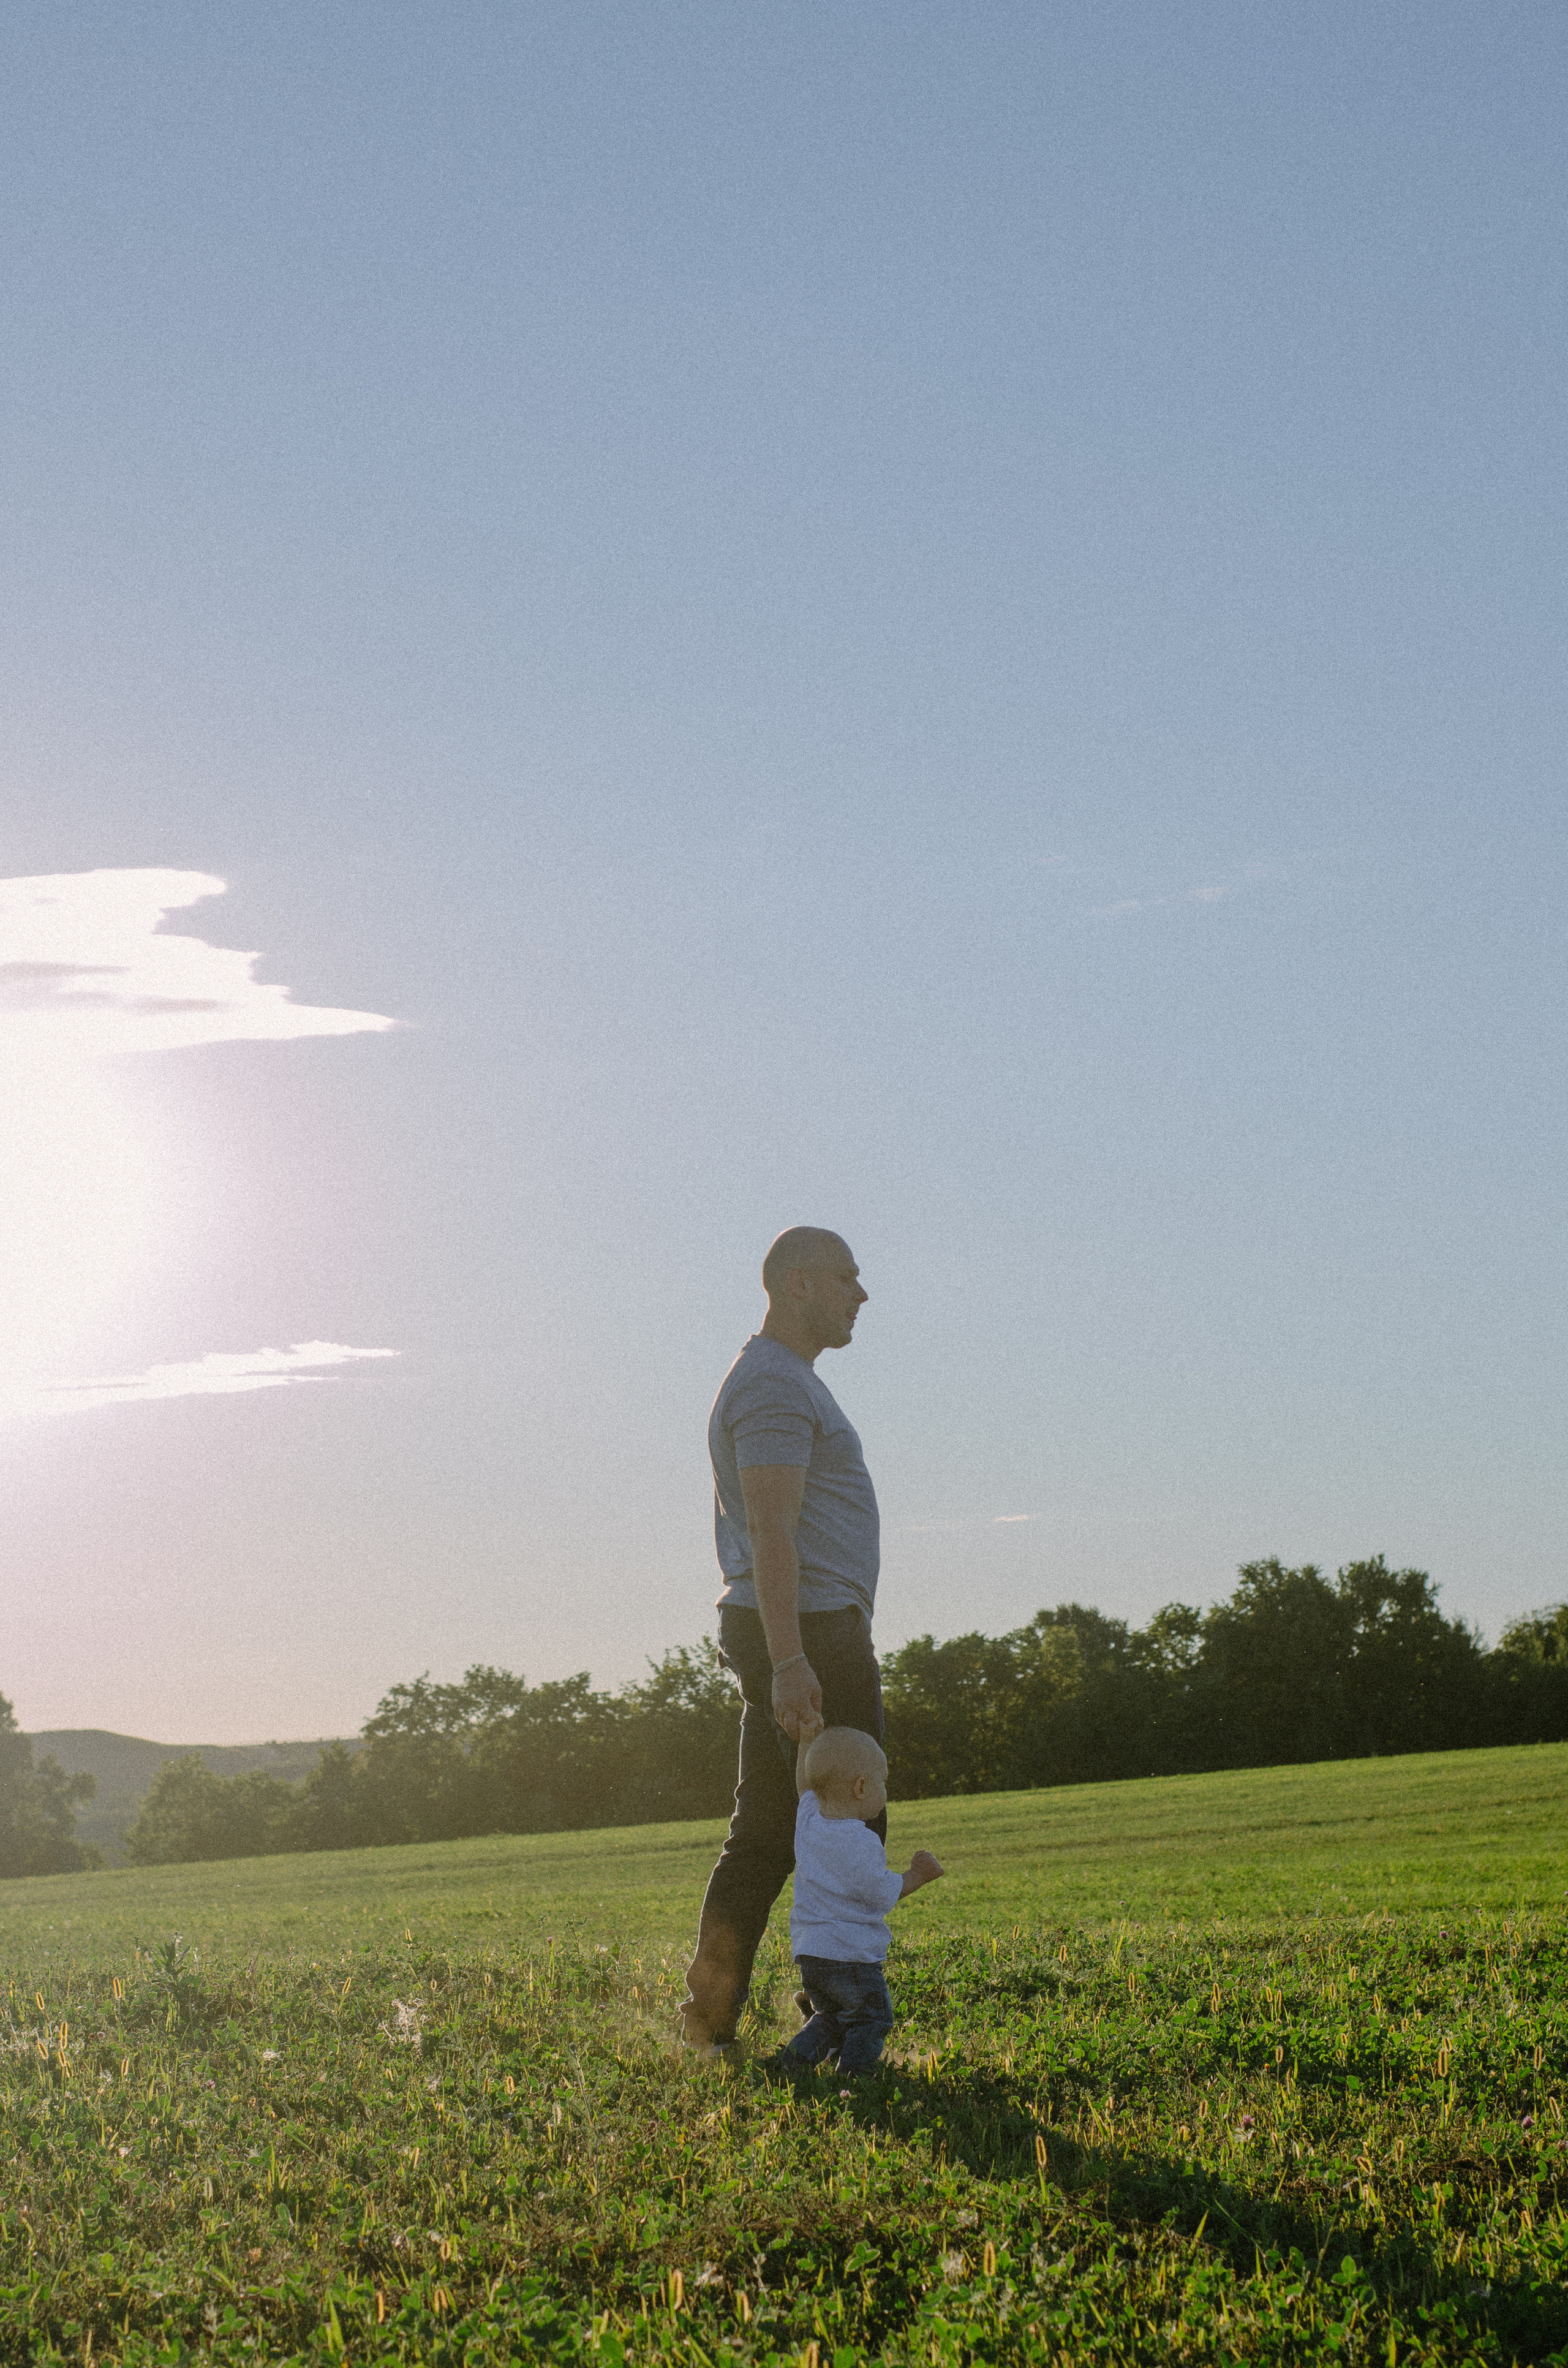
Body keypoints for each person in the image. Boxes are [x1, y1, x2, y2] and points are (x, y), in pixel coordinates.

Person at [680, 1227, 883, 2053]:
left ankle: (710, 2022)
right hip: (808, 1634)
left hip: (800, 1629)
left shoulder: (780, 1379)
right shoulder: (773, 1386)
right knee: (851, 1823)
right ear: (797, 1284)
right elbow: (771, 1530)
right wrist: (794, 1658)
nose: (860, 1294)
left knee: (766, 1830)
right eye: (846, 1277)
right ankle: (844, 2024)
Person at [782, 1723, 944, 2073]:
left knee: (831, 2017)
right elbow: (879, 1893)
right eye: (882, 1782)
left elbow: (805, 1785)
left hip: (812, 1953)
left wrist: (807, 1741)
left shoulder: (808, 1822)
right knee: (872, 2019)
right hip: (850, 1956)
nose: (885, 1790)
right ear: (861, 1787)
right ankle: (854, 2078)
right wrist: (918, 1875)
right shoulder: (861, 1841)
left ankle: (792, 2065)